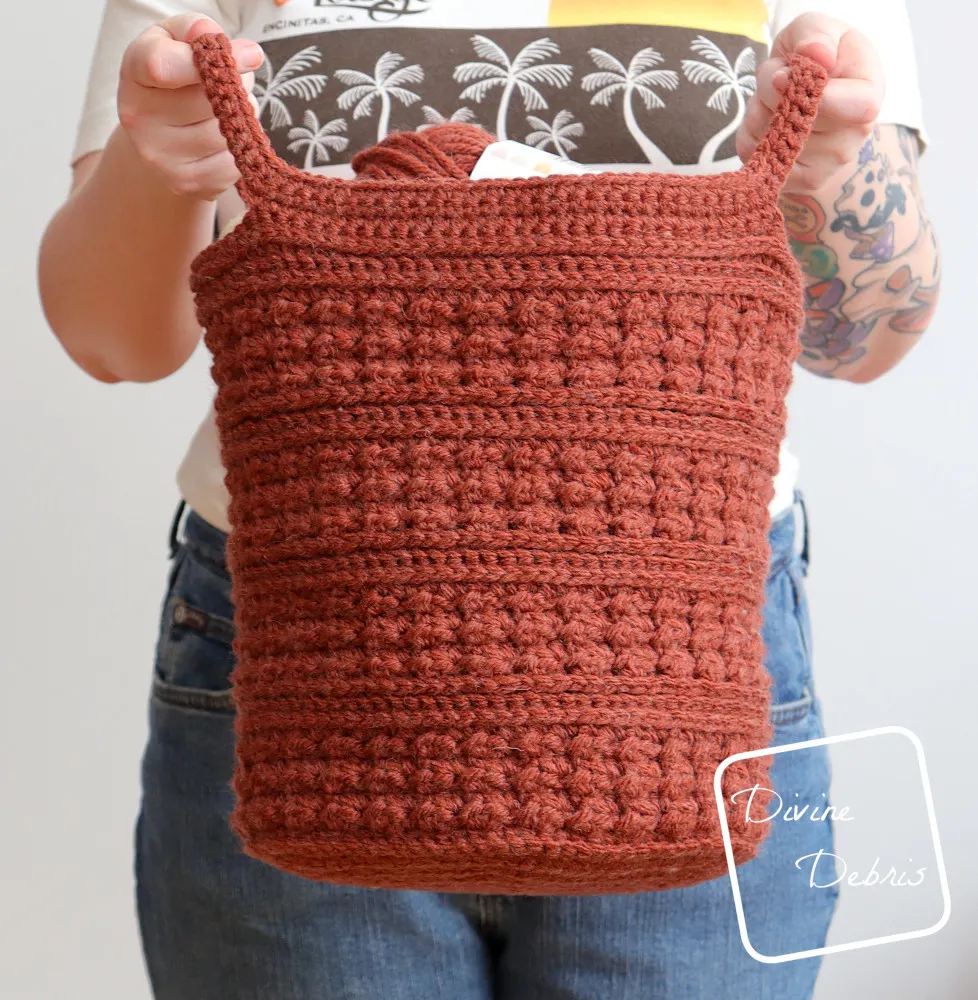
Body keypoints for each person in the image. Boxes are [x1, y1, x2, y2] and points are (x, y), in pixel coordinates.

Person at [38, 2, 939, 997]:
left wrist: (831, 168)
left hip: (681, 664)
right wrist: (160, 157)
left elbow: (866, 341)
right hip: (309, 667)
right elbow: (112, 337)